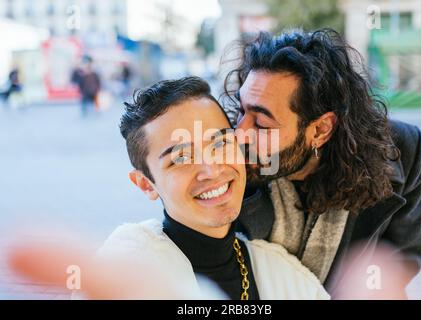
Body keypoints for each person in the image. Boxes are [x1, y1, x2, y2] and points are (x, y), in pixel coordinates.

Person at [223, 29, 421, 298]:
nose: (240, 132)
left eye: (261, 124)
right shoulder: (230, 161)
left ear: (320, 130)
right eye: (241, 110)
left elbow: (400, 260)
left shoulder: (401, 150)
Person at [91, 76, 328, 300]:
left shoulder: (287, 278)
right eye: (181, 158)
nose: (212, 171)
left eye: (220, 143)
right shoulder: (122, 279)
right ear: (146, 184)